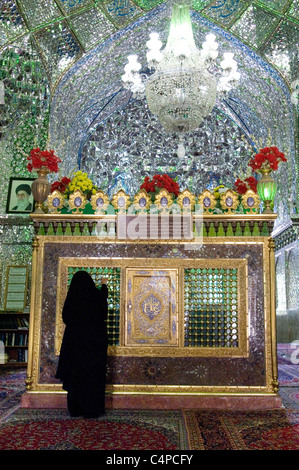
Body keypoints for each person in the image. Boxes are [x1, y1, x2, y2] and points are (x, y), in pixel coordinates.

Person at [55, 270, 108, 418]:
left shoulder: (72, 299)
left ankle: (75, 408)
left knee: (75, 376)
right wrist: (104, 286)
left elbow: (66, 317)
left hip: (74, 346)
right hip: (93, 346)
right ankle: (91, 410)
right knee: (91, 376)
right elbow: (102, 310)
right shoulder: (95, 298)